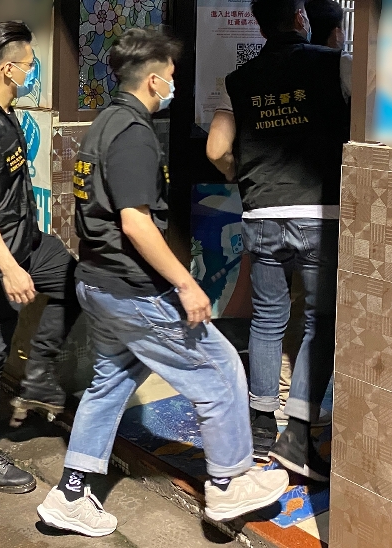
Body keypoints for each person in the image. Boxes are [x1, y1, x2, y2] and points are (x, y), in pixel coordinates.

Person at [37, 28, 289, 536]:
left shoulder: (103, 123)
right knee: (220, 370)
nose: (174, 84)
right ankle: (229, 483)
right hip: (132, 290)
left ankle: (71, 494)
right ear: (154, 80)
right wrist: (186, 284)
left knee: (110, 383)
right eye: (171, 76)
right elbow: (135, 222)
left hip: (99, 284)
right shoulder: (133, 134)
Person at [205, 0, 350, 481]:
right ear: (300, 19)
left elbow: (216, 149)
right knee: (319, 324)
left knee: (267, 321)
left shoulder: (238, 79)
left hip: (261, 213)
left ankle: (262, 425)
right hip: (319, 213)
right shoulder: (334, 64)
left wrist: (244, 177)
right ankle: (299, 436)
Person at [0, 21, 80, 493]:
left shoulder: (3, 113)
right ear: (8, 69)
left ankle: (40, 376)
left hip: (27, 242)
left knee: (74, 280)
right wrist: (8, 267)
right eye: (29, 63)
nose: (33, 69)